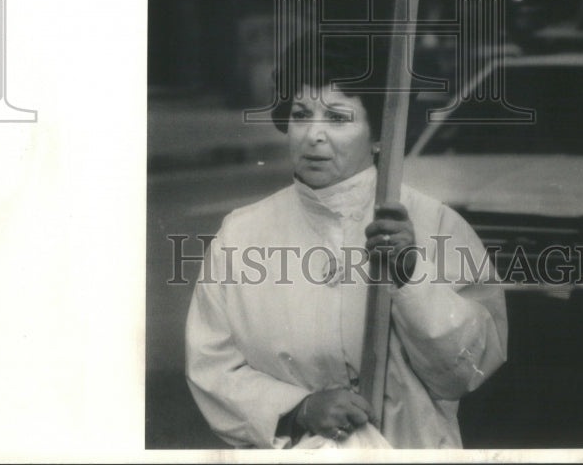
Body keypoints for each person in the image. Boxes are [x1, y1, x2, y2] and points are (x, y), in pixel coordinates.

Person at [185, 33, 507, 449]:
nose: (314, 136)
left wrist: (411, 276)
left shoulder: (434, 224)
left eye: (338, 118)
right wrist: (299, 407)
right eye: (301, 115)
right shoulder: (241, 234)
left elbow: (469, 370)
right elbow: (211, 367)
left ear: (380, 136)